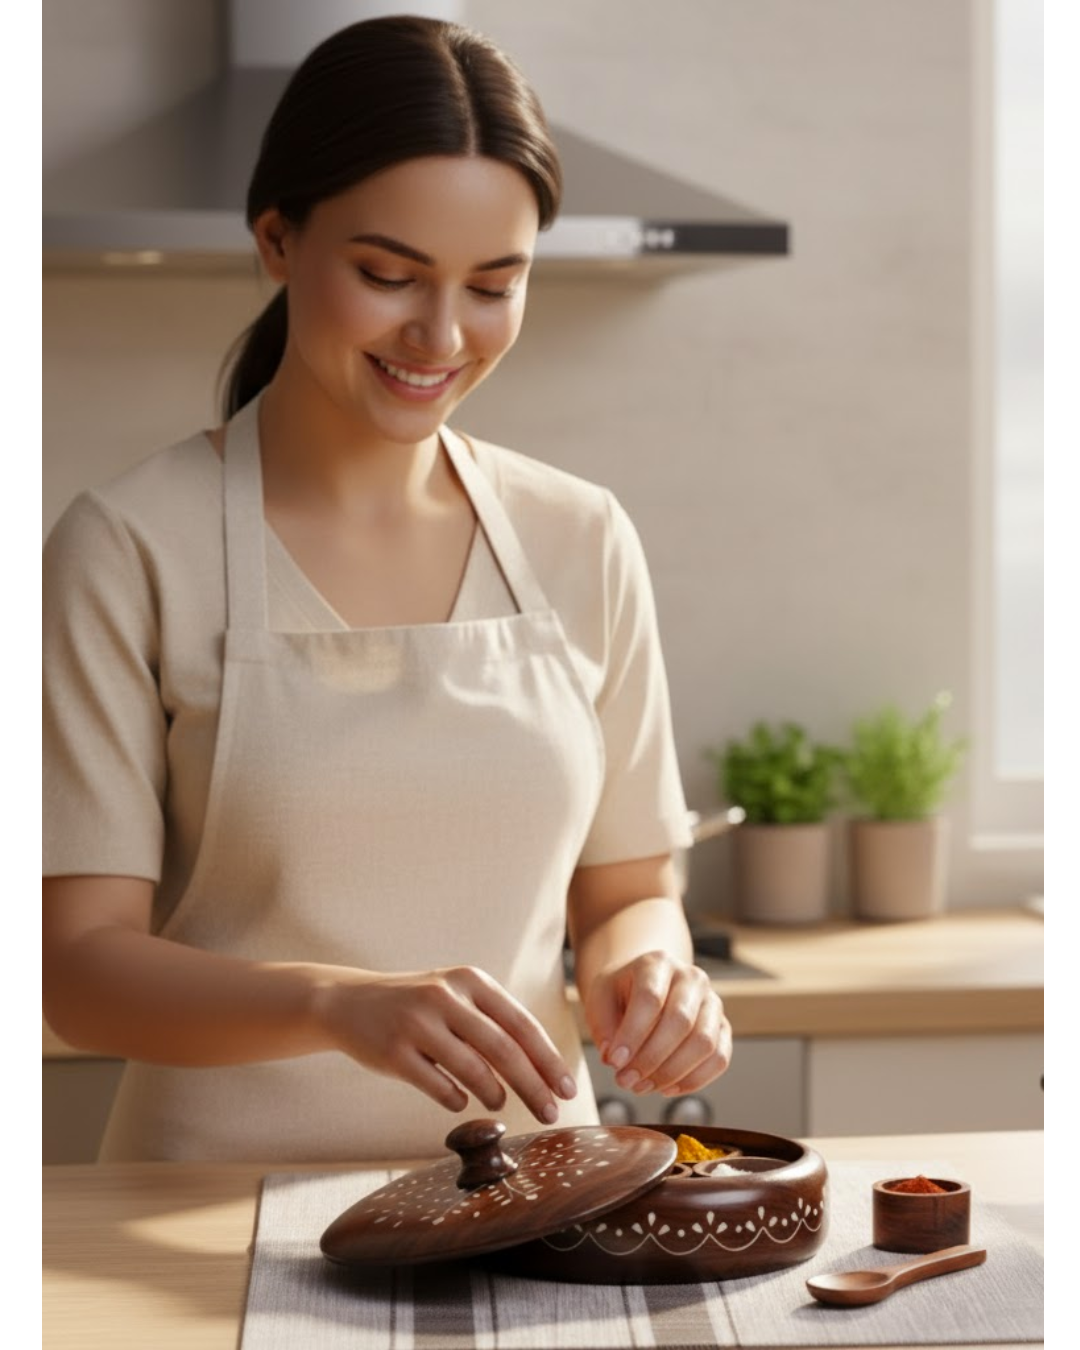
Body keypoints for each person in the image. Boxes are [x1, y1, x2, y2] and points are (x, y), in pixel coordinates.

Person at [42, 14, 732, 1162]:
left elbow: (626, 893)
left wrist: (654, 974)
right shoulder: (125, 547)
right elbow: (78, 969)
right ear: (276, 239)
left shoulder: (581, 536)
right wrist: (334, 1005)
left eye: (494, 284)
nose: (442, 334)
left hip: (530, 1198)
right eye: (388, 275)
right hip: (209, 1215)